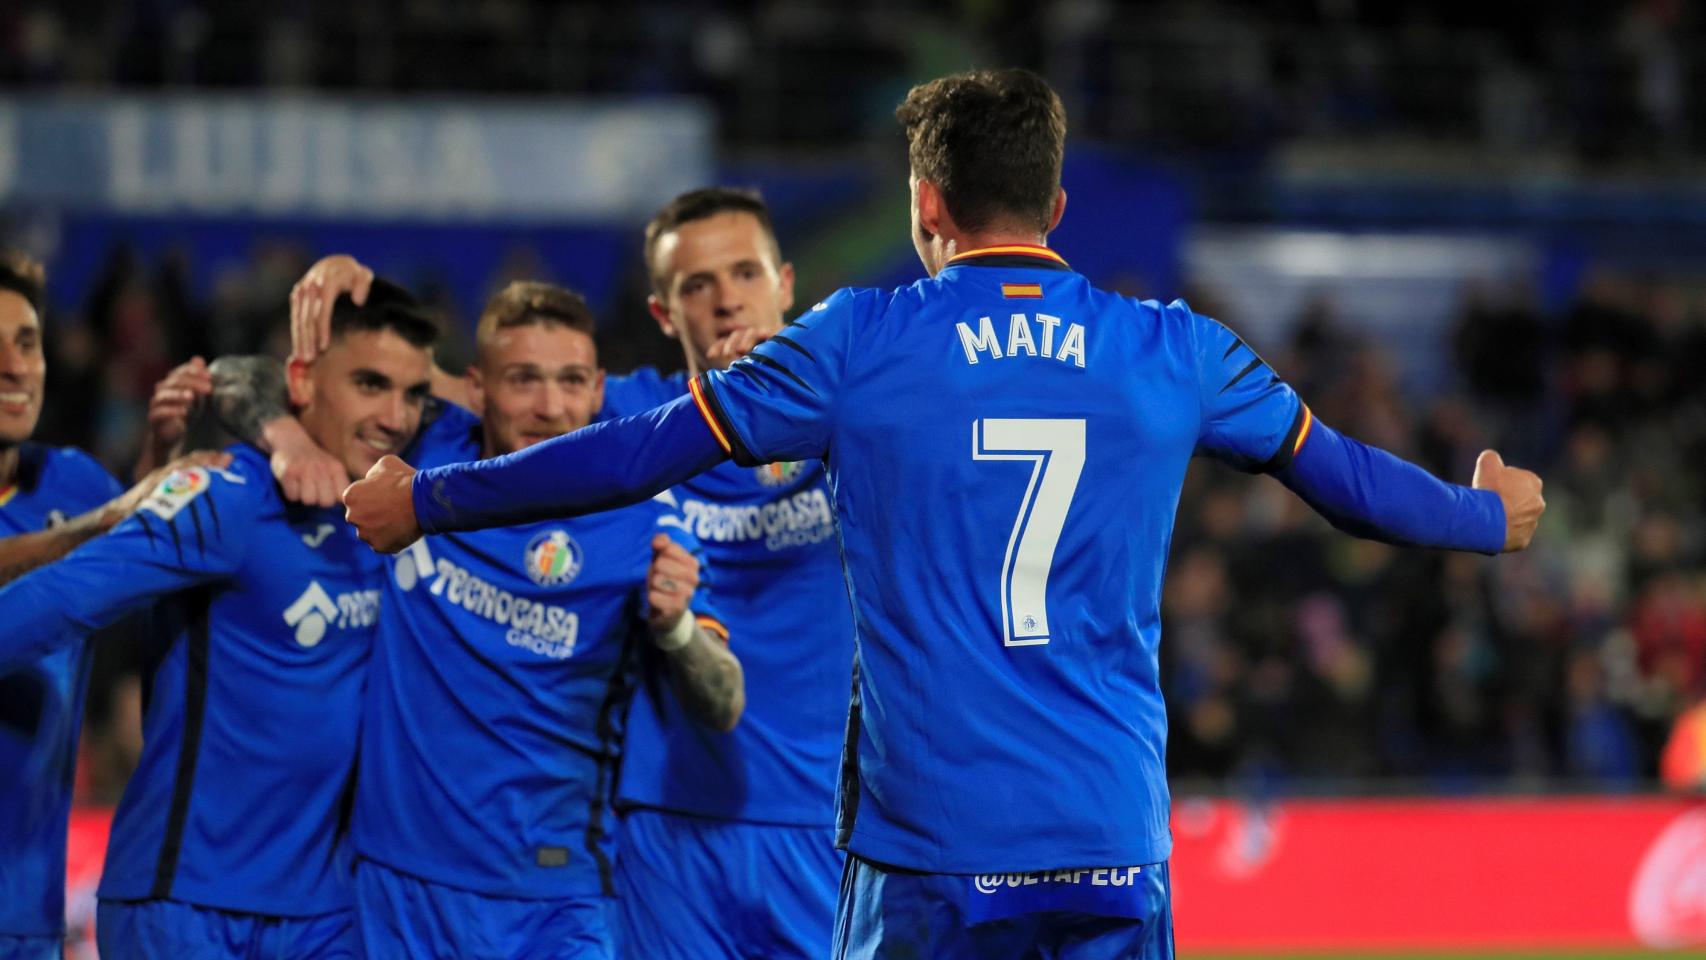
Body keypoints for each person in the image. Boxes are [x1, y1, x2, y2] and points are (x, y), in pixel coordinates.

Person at [344, 69, 1546, 959]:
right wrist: (1482, 517)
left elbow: (634, 449)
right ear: (1057, 204)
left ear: (926, 203)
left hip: (929, 848)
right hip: (1108, 832)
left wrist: (429, 501)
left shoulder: (859, 339)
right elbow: (1341, 479)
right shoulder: (1173, 350)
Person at [289, 189, 855, 959]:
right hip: (658, 820)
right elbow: (452, 389)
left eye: (745, 274)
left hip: (826, 813)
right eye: (697, 285)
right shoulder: (619, 421)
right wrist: (331, 331)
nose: (727, 302)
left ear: (785, 283)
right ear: (663, 313)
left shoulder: (858, 421)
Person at [209, 279, 743, 958]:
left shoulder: (649, 520)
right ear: (476, 390)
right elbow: (236, 377)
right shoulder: (421, 456)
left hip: (558, 897)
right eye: (524, 380)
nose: (551, 407)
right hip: (400, 887)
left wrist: (675, 630)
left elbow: (724, 700)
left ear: (598, 388)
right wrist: (285, 437)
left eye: (571, 380)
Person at [0, 278, 439, 959]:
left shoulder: (402, 503)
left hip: (325, 912)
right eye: (369, 384)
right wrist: (280, 438)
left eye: (413, 395)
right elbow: (60, 599)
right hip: (187, 905)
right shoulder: (224, 496)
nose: (396, 415)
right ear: (302, 383)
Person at [0, 250, 226, 960]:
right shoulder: (81, 510)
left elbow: (127, 548)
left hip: (24, 909)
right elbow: (99, 532)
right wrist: (98, 523)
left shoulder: (69, 479)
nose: (14, 367)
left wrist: (155, 465)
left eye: (27, 342)